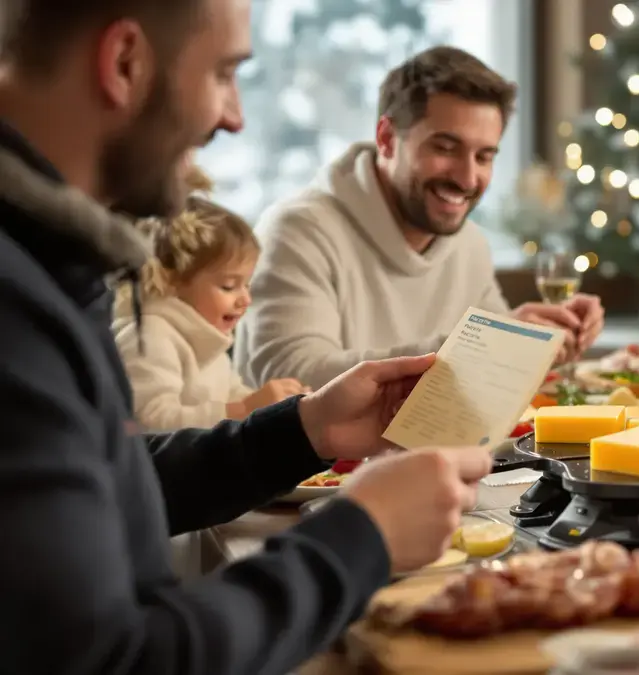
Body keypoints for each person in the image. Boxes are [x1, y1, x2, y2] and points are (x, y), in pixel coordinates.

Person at [0, 1, 493, 673]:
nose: (235, 117)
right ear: (124, 63)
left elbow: (109, 484)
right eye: (224, 74)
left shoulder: (51, 259)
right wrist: (361, 536)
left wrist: (301, 430)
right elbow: (114, 661)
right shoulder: (17, 304)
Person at [234, 45, 605, 389]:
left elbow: (493, 373)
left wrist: (548, 341)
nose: (467, 178)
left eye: (484, 157)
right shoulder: (298, 231)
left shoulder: (469, 243)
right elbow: (293, 378)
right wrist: (483, 346)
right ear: (387, 138)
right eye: (445, 148)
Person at [114, 173, 308, 432]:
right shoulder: (151, 337)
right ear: (172, 280)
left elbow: (232, 393)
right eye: (228, 286)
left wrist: (278, 408)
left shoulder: (208, 339)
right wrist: (244, 409)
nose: (245, 299)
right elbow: (149, 422)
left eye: (247, 284)